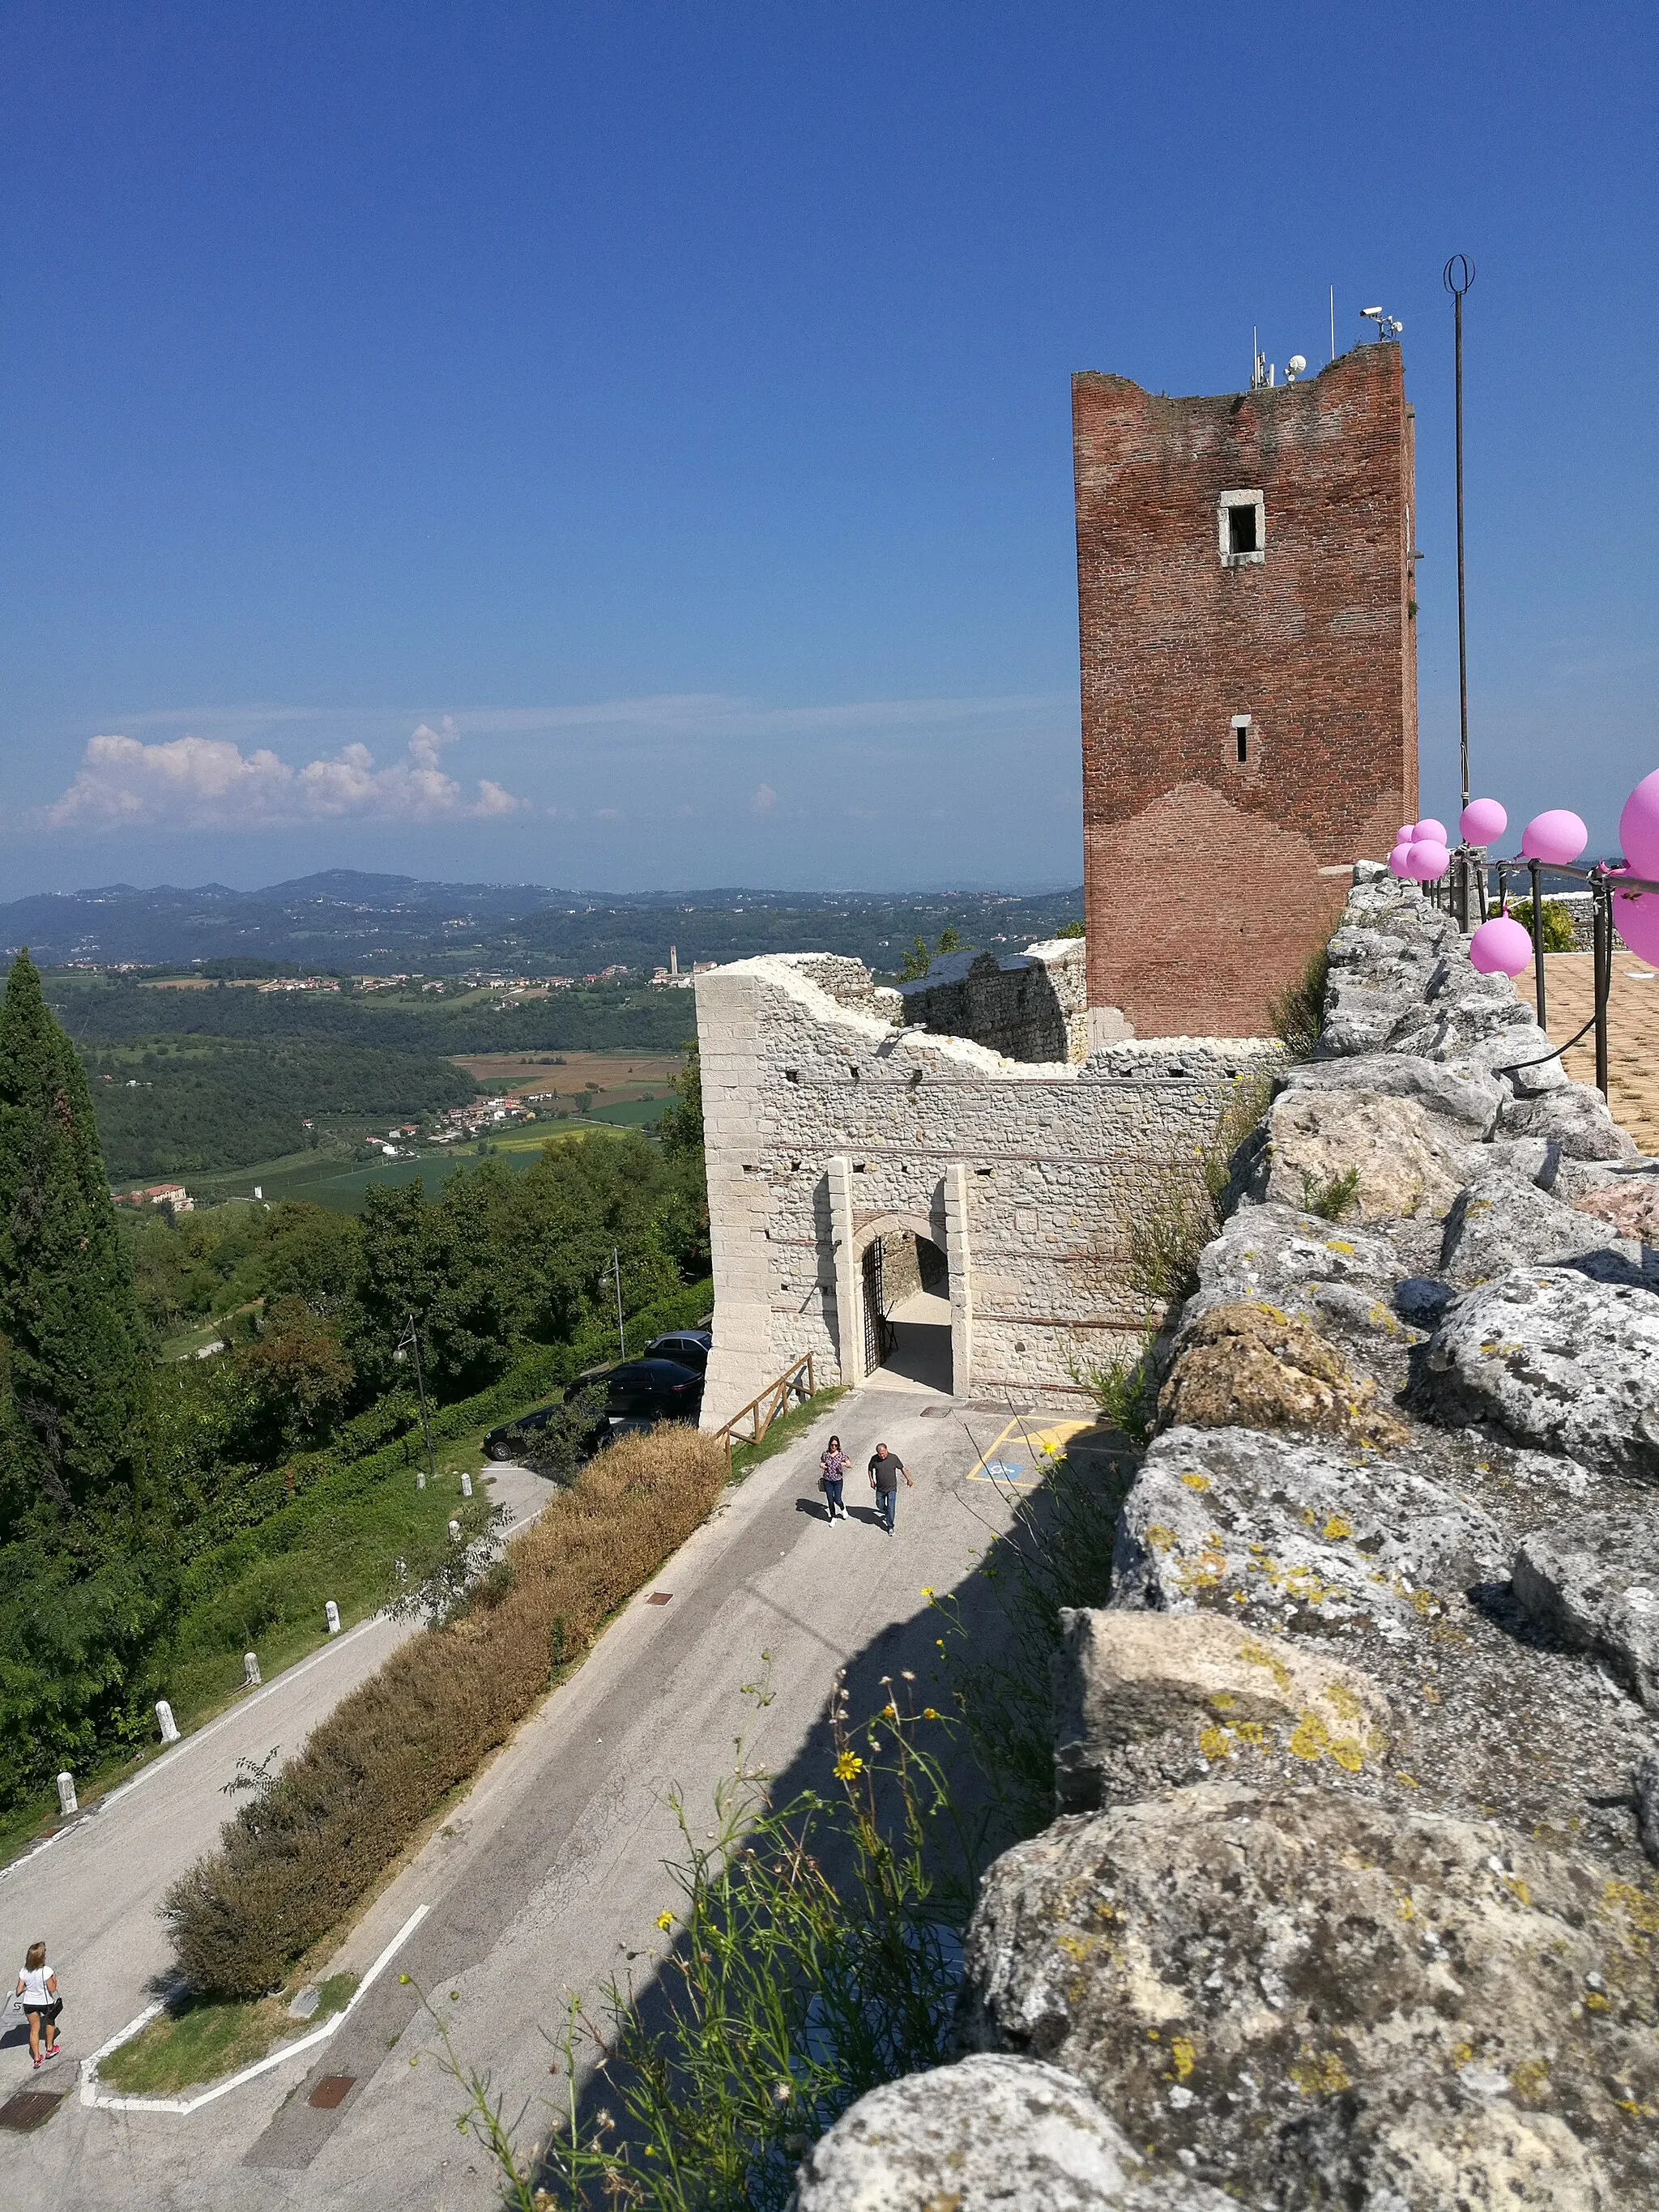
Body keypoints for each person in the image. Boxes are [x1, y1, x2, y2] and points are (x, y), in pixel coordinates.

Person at [17, 1942, 60, 2069]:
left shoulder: (24, 1971)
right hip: (45, 2002)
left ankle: (37, 2058)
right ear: (42, 1957)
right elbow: (52, 1989)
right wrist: (54, 1979)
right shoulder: (46, 1971)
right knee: (50, 2022)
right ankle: (50, 2048)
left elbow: (19, 1991)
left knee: (34, 2029)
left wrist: (29, 1985)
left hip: (29, 2003)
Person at [868, 1442, 912, 1534]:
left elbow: (902, 1468)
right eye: (880, 1454)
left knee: (891, 1507)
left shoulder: (893, 1458)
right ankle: (888, 1512)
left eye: (883, 1453)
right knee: (880, 1505)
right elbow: (870, 1469)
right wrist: (871, 1481)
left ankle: (890, 1526)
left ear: (887, 1450)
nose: (882, 1455)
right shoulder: (874, 1459)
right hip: (880, 1488)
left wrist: (909, 1479)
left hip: (891, 1488)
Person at [818, 1434, 850, 1523]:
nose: (833, 1447)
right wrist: (822, 1466)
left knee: (837, 1499)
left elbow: (850, 1464)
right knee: (830, 1500)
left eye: (836, 1445)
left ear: (838, 1445)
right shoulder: (825, 1454)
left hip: (838, 1481)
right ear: (829, 1444)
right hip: (828, 1480)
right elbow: (821, 1463)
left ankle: (843, 1509)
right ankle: (833, 1517)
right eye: (832, 1445)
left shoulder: (841, 1454)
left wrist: (843, 1464)